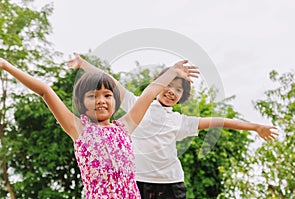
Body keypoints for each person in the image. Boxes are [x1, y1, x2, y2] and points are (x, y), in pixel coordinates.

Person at [67, 54, 279, 199]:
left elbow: (218, 121)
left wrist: (255, 127)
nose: (172, 91)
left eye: (178, 90)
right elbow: (109, 80)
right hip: (138, 182)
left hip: (170, 183)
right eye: (169, 85)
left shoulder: (180, 121)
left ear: (182, 96)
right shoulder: (137, 104)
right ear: (158, 85)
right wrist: (83, 63)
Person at [0, 57, 199, 198]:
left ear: (116, 100)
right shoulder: (78, 129)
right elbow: (45, 91)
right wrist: (6, 65)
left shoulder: (124, 127)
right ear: (81, 102)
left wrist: (172, 73)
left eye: (107, 95)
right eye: (92, 96)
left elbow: (148, 94)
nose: (100, 101)